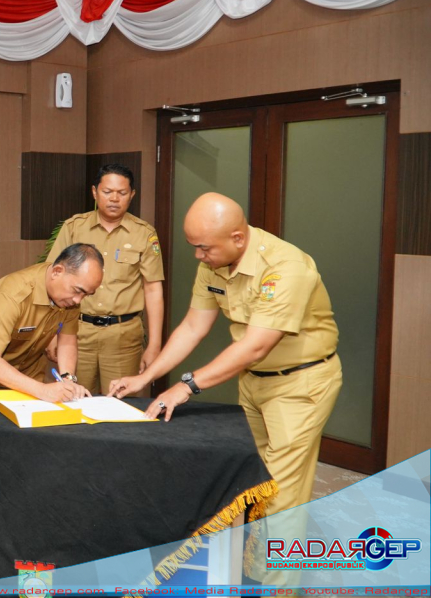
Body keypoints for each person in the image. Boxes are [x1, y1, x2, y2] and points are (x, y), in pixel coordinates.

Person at [110, 192, 341, 518]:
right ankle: (251, 562)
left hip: (300, 384)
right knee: (251, 480)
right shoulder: (215, 261)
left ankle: (272, 570)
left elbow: (256, 346)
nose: (197, 255)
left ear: (237, 237)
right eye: (194, 246)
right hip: (252, 380)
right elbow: (193, 326)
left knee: (278, 495)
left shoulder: (285, 268)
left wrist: (186, 385)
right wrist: (145, 377)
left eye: (204, 247)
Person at [46, 164, 164, 396]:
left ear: (132, 195)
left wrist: (155, 345)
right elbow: (51, 279)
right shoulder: (74, 227)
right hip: (76, 333)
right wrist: (50, 333)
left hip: (122, 337)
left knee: (122, 405)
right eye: (107, 191)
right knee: (73, 401)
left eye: (121, 193)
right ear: (94, 192)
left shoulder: (144, 233)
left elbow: (153, 290)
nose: (114, 199)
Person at [0, 244, 104, 403]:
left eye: (86, 295)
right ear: (57, 271)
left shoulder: (70, 297)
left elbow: (67, 339)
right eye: (77, 291)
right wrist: (42, 390)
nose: (78, 300)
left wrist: (67, 379)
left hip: (30, 370)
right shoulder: (12, 295)